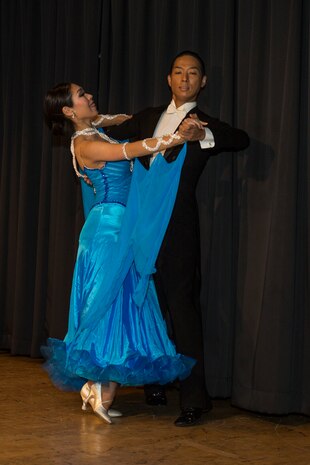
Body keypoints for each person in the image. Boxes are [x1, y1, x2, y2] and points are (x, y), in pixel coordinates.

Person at [42, 82, 205, 424]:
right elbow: (134, 149)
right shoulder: (86, 143)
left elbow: (117, 119)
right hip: (107, 231)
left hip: (122, 229)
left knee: (121, 308)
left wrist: (158, 119)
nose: (89, 96)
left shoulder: (95, 129)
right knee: (108, 306)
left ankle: (100, 389)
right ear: (69, 111)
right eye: (81, 96)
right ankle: (99, 387)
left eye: (86, 92)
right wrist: (177, 137)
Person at [105, 50, 250, 426]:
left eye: (193, 73)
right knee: (147, 307)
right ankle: (153, 383)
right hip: (139, 227)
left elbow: (241, 139)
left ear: (202, 82)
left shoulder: (203, 123)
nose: (184, 79)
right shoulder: (147, 118)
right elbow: (107, 136)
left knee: (183, 312)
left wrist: (204, 134)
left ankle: (194, 399)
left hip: (178, 229)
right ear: (168, 79)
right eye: (178, 72)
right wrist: (82, 123)